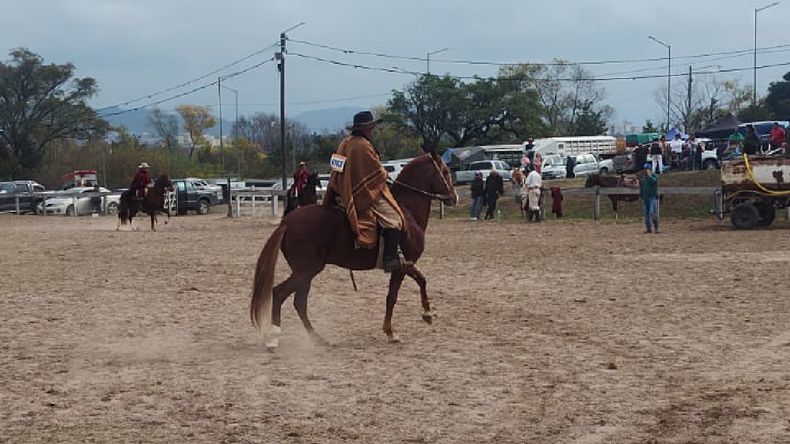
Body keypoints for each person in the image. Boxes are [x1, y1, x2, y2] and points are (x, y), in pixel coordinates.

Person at [322, 111, 409, 273]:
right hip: (360, 194)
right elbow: (375, 171)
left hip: (340, 190)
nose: (372, 131)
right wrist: (386, 176)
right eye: (371, 128)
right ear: (365, 129)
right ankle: (390, 258)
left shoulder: (345, 143)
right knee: (394, 220)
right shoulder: (363, 146)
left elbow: (336, 166)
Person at [639, 162, 659, 234]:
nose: (646, 170)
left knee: (652, 213)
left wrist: (650, 176)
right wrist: (641, 196)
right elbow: (642, 188)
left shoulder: (654, 176)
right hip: (645, 198)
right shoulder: (643, 179)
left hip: (652, 197)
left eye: (647, 169)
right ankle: (648, 228)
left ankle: (656, 228)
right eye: (645, 169)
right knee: (646, 214)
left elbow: (654, 181)